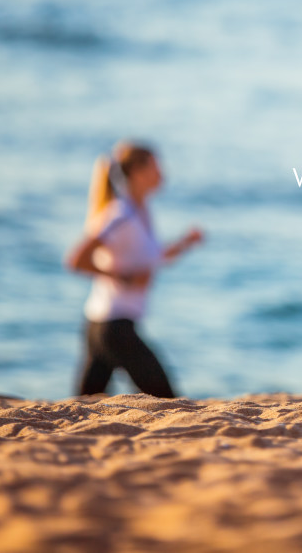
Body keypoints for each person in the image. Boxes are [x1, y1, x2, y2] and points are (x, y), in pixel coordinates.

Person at [65, 141, 203, 398]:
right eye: (155, 166)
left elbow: (153, 258)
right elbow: (76, 259)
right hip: (113, 327)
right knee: (167, 400)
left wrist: (185, 243)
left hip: (103, 325)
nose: (162, 173)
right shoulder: (121, 214)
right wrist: (124, 278)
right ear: (138, 172)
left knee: (85, 405)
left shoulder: (140, 211)